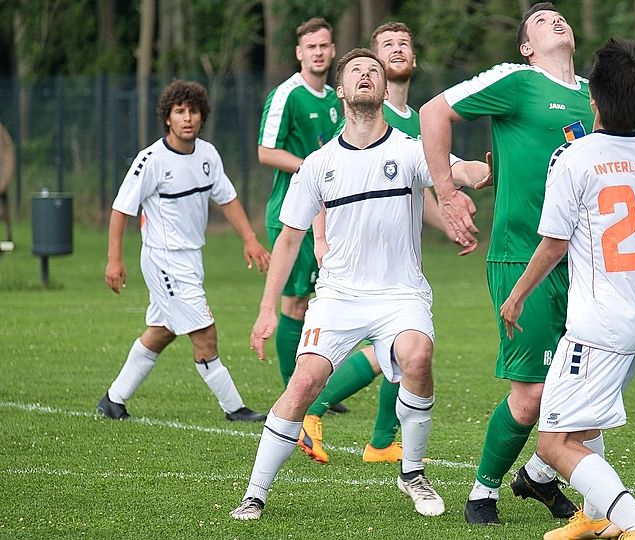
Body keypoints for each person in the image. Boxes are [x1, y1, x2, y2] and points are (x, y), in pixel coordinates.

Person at [229, 48, 488, 521]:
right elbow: (288, 239)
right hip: (338, 295)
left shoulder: (410, 149)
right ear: (342, 91)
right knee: (304, 382)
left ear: (385, 91)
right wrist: (267, 310)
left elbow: (458, 169)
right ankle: (254, 493)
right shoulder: (317, 163)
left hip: (400, 293)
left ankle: (412, 473)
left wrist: (485, 172)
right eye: (356, 72)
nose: (367, 75)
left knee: (417, 356)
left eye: (374, 71)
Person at [420, 2, 591, 525]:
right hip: (522, 255)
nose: (555, 20)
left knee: (586, 389)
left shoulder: (593, 95)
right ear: (526, 47)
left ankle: (538, 475)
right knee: (533, 394)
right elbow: (433, 112)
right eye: (540, 20)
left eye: (559, 15)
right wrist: (447, 192)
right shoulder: (517, 80)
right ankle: (482, 493)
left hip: (586, 264)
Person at [499, 37, 635, 540]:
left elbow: (554, 243)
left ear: (592, 98)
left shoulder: (573, 157)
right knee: (585, 421)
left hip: (599, 324)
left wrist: (517, 295)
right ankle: (595, 517)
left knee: (554, 444)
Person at [299, 21, 485, 466]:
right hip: (353, 260)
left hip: (397, 256)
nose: (397, 49)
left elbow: (428, 189)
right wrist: (320, 237)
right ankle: (321, 411)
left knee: (401, 350)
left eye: (405, 44)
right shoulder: (364, 113)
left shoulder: (419, 121)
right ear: (375, 62)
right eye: (387, 45)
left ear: (414, 59)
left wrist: (452, 222)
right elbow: (325, 174)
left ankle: (380, 439)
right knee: (392, 349)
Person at [98, 79, 270, 423]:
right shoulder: (151, 160)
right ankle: (235, 408)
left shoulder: (208, 154)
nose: (187, 118)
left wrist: (250, 238)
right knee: (204, 332)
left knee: (162, 331)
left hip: (191, 257)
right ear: (168, 118)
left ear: (202, 116)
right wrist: (114, 260)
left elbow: (227, 198)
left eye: (193, 111)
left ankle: (113, 400)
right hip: (164, 259)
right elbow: (121, 210)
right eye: (179, 112)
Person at [256, 17, 355, 451]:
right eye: (310, 46)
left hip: (329, 215)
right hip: (291, 215)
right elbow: (265, 151)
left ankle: (313, 388)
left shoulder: (336, 98)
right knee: (294, 303)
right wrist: (312, 169)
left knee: (323, 304)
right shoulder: (287, 94)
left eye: (324, 45)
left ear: (333, 50)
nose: (317, 52)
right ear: (299, 53)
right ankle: (293, 395)